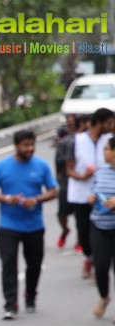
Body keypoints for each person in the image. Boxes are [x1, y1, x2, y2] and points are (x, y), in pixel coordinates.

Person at [0, 129, 58, 319]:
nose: (30, 148)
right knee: (9, 265)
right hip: (9, 226)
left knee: (34, 264)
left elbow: (53, 190)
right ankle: (10, 305)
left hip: (34, 225)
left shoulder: (41, 166)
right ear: (16, 146)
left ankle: (30, 295)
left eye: (32, 145)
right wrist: (7, 198)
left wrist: (37, 199)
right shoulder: (2, 167)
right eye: (25, 145)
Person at [66, 107, 115, 279]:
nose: (112, 126)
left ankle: (99, 265)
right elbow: (69, 169)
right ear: (99, 122)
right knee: (83, 232)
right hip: (82, 195)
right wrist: (83, 176)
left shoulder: (110, 141)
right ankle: (90, 257)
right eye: (109, 122)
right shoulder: (77, 141)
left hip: (106, 197)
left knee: (101, 232)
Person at [87, 137, 115, 319]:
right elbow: (93, 191)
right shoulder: (100, 172)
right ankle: (104, 297)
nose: (103, 152)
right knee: (101, 268)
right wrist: (92, 198)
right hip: (99, 225)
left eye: (106, 149)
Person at [54, 117, 81, 249]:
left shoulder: (86, 142)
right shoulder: (65, 142)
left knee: (80, 214)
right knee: (61, 214)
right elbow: (58, 162)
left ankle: (79, 241)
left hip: (82, 183)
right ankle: (65, 230)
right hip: (66, 182)